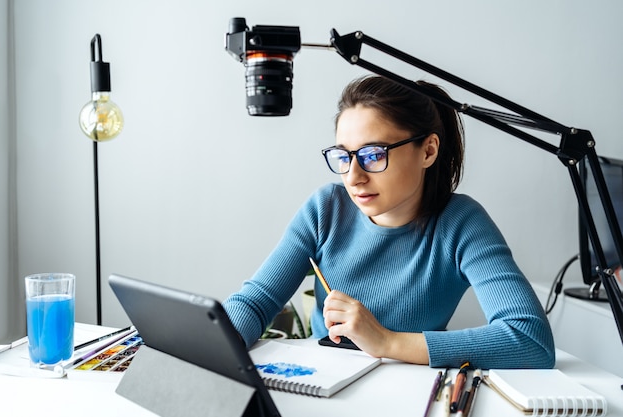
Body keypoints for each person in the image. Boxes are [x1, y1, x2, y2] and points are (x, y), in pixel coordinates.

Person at [223, 75, 555, 370]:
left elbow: (530, 339)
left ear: (427, 151)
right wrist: (216, 347)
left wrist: (386, 342)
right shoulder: (325, 208)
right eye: (344, 156)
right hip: (324, 386)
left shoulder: (462, 223)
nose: (353, 177)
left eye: (373, 155)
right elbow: (255, 303)